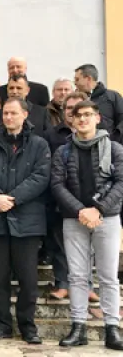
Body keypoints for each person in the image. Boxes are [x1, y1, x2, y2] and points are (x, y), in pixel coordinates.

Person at [0, 97, 51, 344]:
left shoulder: (39, 145)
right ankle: (1, 324)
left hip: (27, 221)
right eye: (5, 113)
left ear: (25, 114)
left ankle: (27, 326)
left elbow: (41, 176)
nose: (8, 117)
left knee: (28, 280)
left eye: (13, 113)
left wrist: (14, 198)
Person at [51, 101, 123, 351]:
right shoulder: (63, 152)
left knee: (108, 276)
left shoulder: (114, 149)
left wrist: (98, 209)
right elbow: (57, 185)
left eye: (87, 115)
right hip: (74, 218)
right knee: (78, 275)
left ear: (97, 118)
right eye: (77, 116)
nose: (82, 119)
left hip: (107, 218)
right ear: (71, 120)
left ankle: (112, 329)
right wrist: (81, 210)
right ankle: (78, 326)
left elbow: (120, 182)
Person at [44, 92, 98, 302]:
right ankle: (62, 283)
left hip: (91, 203)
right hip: (61, 199)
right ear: (64, 112)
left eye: (80, 109)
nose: (76, 114)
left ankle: (88, 285)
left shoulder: (98, 137)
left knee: (90, 248)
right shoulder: (52, 135)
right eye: (70, 109)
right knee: (60, 246)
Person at [74, 64, 123, 134]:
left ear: (88, 79)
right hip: (83, 143)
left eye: (77, 79)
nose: (75, 83)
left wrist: (114, 140)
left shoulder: (112, 96)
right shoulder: (76, 100)